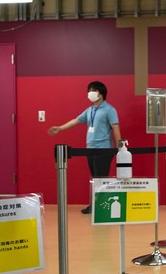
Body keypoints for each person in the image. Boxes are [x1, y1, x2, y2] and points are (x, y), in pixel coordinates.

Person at [48, 81, 122, 213]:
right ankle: (95, 205)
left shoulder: (110, 110)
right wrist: (60, 128)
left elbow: (115, 128)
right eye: (89, 90)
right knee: (95, 178)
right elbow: (76, 121)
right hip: (90, 148)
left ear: (100, 93)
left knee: (101, 178)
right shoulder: (90, 110)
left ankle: (100, 207)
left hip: (104, 148)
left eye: (92, 90)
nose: (89, 93)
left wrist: (119, 148)